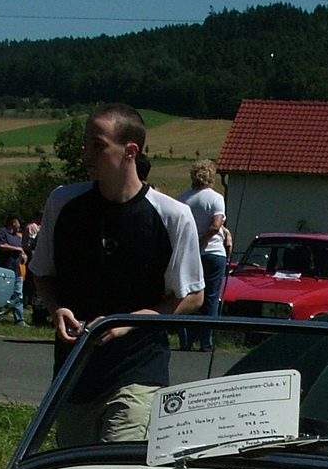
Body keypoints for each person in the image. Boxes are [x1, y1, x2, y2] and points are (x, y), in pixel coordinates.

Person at [31, 103, 203, 445]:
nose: (85, 154)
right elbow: (43, 272)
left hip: (138, 370)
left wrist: (134, 320)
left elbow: (192, 296)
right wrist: (56, 309)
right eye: (85, 144)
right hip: (76, 371)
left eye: (97, 145)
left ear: (130, 151)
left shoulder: (172, 216)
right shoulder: (63, 203)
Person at [177, 159, 227, 351]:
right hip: (213, 252)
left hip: (190, 254)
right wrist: (203, 239)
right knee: (211, 298)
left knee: (187, 296)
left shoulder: (183, 199)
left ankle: (186, 339)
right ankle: (206, 341)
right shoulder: (216, 198)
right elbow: (216, 224)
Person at [0, 213, 27, 325]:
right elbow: (1, 246)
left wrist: (22, 255)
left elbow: (20, 249)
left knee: (18, 294)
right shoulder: (2, 232)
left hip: (15, 269)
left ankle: (20, 319)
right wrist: (17, 249)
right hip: (3, 269)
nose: (19, 224)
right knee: (0, 293)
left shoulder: (17, 236)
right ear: (13, 222)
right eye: (18, 222)